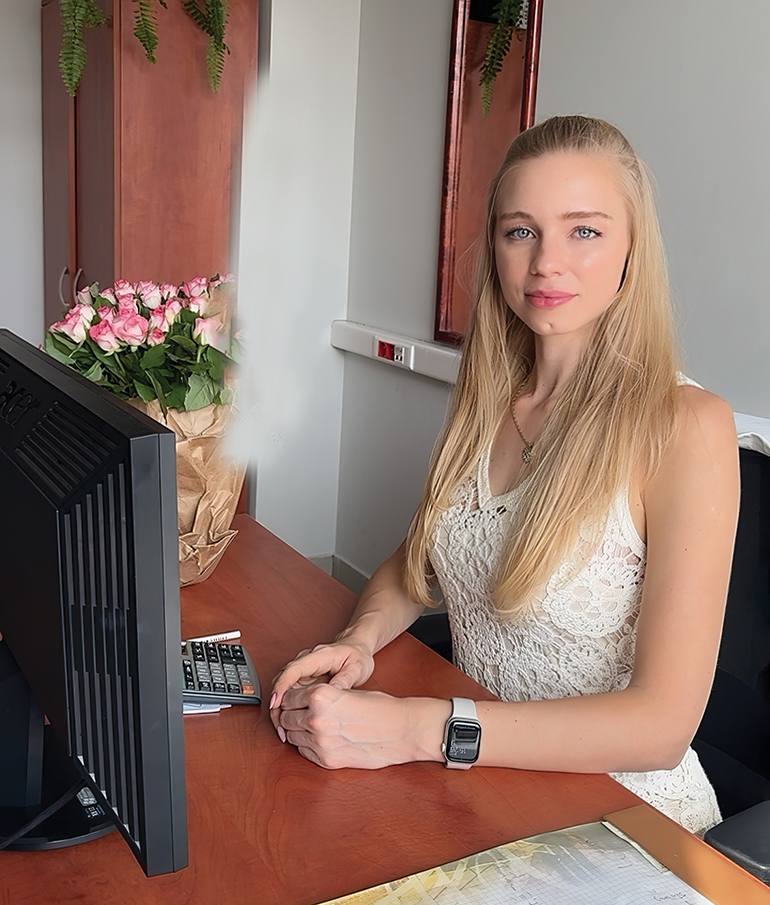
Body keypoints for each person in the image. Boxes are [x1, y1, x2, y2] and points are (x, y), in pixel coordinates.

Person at [269, 115, 739, 836]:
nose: (547, 262)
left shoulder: (686, 426)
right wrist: (360, 640)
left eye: (584, 231)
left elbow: (660, 728)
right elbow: (418, 560)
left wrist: (417, 729)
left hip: (625, 821)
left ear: (632, 249)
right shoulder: (489, 399)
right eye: (522, 231)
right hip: (486, 789)